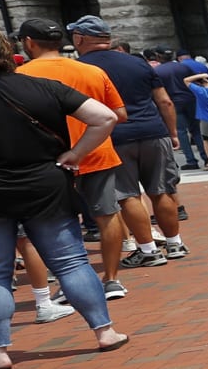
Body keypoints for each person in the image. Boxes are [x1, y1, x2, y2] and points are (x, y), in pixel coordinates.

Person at [0, 23, 128, 369]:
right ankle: (105, 331)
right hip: (45, 182)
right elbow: (105, 117)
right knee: (70, 262)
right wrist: (76, 154)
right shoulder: (42, 87)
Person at [16, 21, 134, 296]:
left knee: (57, 222)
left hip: (49, 157)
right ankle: (111, 278)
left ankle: (68, 283)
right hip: (97, 150)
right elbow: (118, 114)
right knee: (108, 214)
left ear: (29, 42)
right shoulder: (92, 71)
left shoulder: (19, 75)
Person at [68, 16, 187, 266]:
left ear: (79, 38)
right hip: (154, 131)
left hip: (114, 136)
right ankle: (175, 243)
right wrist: (173, 132)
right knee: (162, 190)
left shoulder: (80, 68)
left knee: (128, 195)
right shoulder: (138, 63)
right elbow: (164, 101)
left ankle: (148, 250)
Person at [153, 49, 203, 170]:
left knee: (180, 131)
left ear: (158, 56)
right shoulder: (183, 67)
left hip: (173, 102)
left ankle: (191, 160)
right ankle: (206, 157)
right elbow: (195, 81)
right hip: (189, 99)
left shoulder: (157, 71)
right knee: (196, 130)